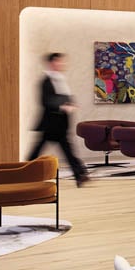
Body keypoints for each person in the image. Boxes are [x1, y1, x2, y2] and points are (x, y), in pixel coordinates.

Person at [30, 52, 89, 187]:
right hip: (51, 122)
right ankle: (80, 174)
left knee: (63, 149)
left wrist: (70, 104)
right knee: (60, 150)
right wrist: (63, 106)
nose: (62, 64)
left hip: (60, 123)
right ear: (52, 63)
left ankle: (80, 174)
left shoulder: (59, 79)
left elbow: (64, 97)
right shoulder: (46, 81)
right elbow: (45, 101)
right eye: (59, 61)